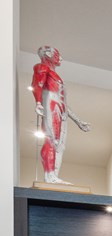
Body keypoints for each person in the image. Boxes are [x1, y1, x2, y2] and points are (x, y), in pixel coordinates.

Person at [32, 46, 91, 185]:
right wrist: (39, 103)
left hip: (59, 108)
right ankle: (49, 176)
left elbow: (63, 101)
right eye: (58, 54)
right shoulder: (42, 67)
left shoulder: (54, 74)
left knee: (59, 146)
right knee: (51, 140)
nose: (61, 58)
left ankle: (54, 176)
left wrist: (78, 121)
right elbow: (37, 85)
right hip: (51, 105)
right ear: (48, 54)